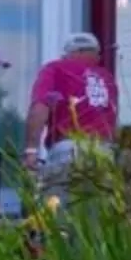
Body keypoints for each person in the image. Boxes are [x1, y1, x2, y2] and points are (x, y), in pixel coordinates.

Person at [24, 32, 119, 181]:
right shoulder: (108, 78)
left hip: (70, 150)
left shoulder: (55, 68)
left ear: (71, 53)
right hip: (104, 153)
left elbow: (40, 108)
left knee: (59, 195)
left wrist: (31, 151)